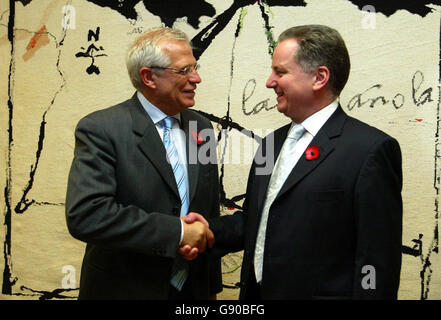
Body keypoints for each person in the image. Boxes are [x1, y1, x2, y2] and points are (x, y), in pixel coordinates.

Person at [183, 24, 403, 299]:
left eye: (281, 72)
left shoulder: (370, 150)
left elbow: (377, 261)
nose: (269, 81)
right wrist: (207, 231)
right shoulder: (271, 144)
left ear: (319, 77)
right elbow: (255, 220)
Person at [65, 27, 222, 300]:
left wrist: (210, 289)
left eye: (194, 68)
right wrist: (178, 232)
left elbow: (208, 211)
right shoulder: (101, 129)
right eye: (183, 70)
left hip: (191, 291)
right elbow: (87, 215)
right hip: (125, 289)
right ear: (149, 77)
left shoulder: (202, 128)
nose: (196, 78)